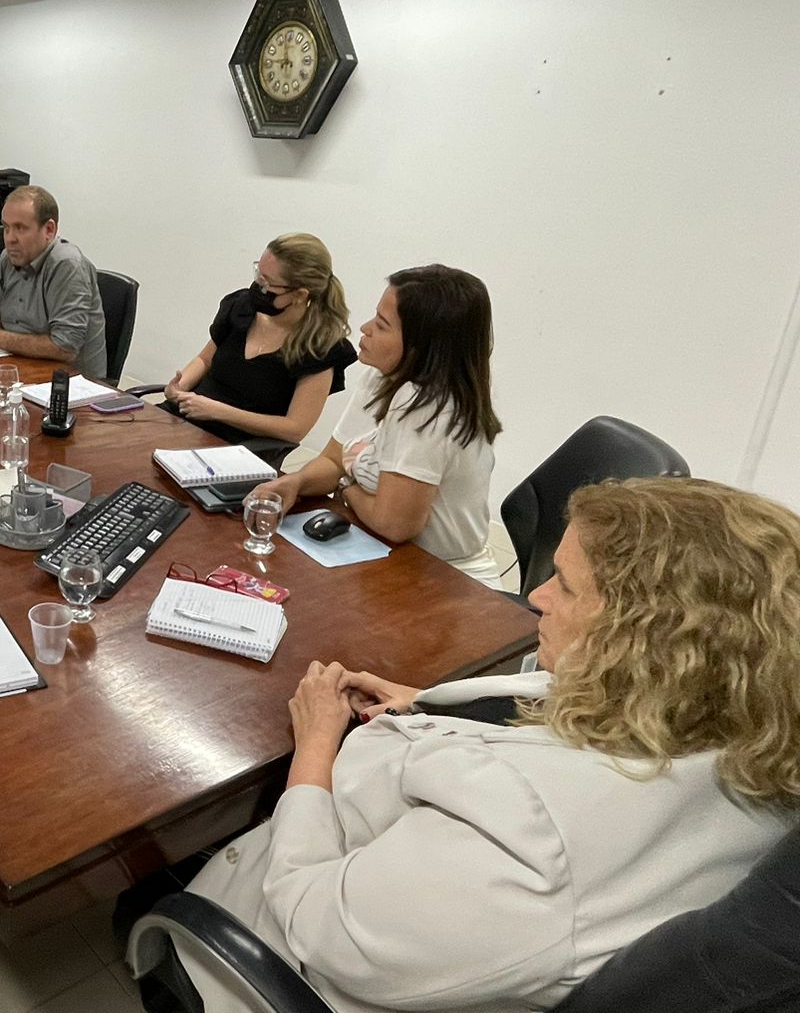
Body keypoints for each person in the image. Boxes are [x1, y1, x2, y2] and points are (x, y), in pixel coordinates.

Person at [169, 476, 800, 1013]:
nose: (536, 595)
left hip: (287, 942)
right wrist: (426, 702)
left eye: (568, 587)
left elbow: (318, 921)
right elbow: (576, 717)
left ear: (649, 640)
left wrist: (315, 747)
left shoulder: (531, 844)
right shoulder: (742, 724)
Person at [250, 264, 502, 585]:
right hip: (390, 558)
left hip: (444, 578)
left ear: (420, 347)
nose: (365, 328)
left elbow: (394, 524)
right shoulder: (383, 376)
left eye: (382, 325)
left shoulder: (426, 405)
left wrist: (346, 487)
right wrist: (296, 483)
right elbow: (333, 459)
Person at [163, 233, 356, 449]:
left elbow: (294, 428)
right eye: (258, 274)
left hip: (239, 445)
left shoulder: (321, 347)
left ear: (300, 295)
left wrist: (218, 411)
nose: (258, 286)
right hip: (189, 419)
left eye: (267, 283)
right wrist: (180, 388)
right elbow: (205, 359)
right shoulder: (241, 307)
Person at [0, 185, 108, 379]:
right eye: (7, 227)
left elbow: (65, 346)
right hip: (20, 370)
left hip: (72, 385)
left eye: (20, 228)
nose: (10, 239)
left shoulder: (67, 265)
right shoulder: (7, 258)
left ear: (49, 230)